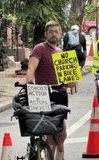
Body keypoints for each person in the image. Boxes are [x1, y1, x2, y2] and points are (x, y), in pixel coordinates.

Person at [26, 21, 67, 160]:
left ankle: (60, 151)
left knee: (61, 131)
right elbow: (31, 68)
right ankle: (50, 154)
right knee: (49, 130)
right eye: (51, 32)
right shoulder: (40, 48)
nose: (54, 34)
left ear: (60, 34)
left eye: (56, 31)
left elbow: (68, 77)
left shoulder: (61, 52)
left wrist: (71, 82)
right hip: (44, 94)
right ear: (45, 34)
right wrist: (30, 85)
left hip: (61, 94)